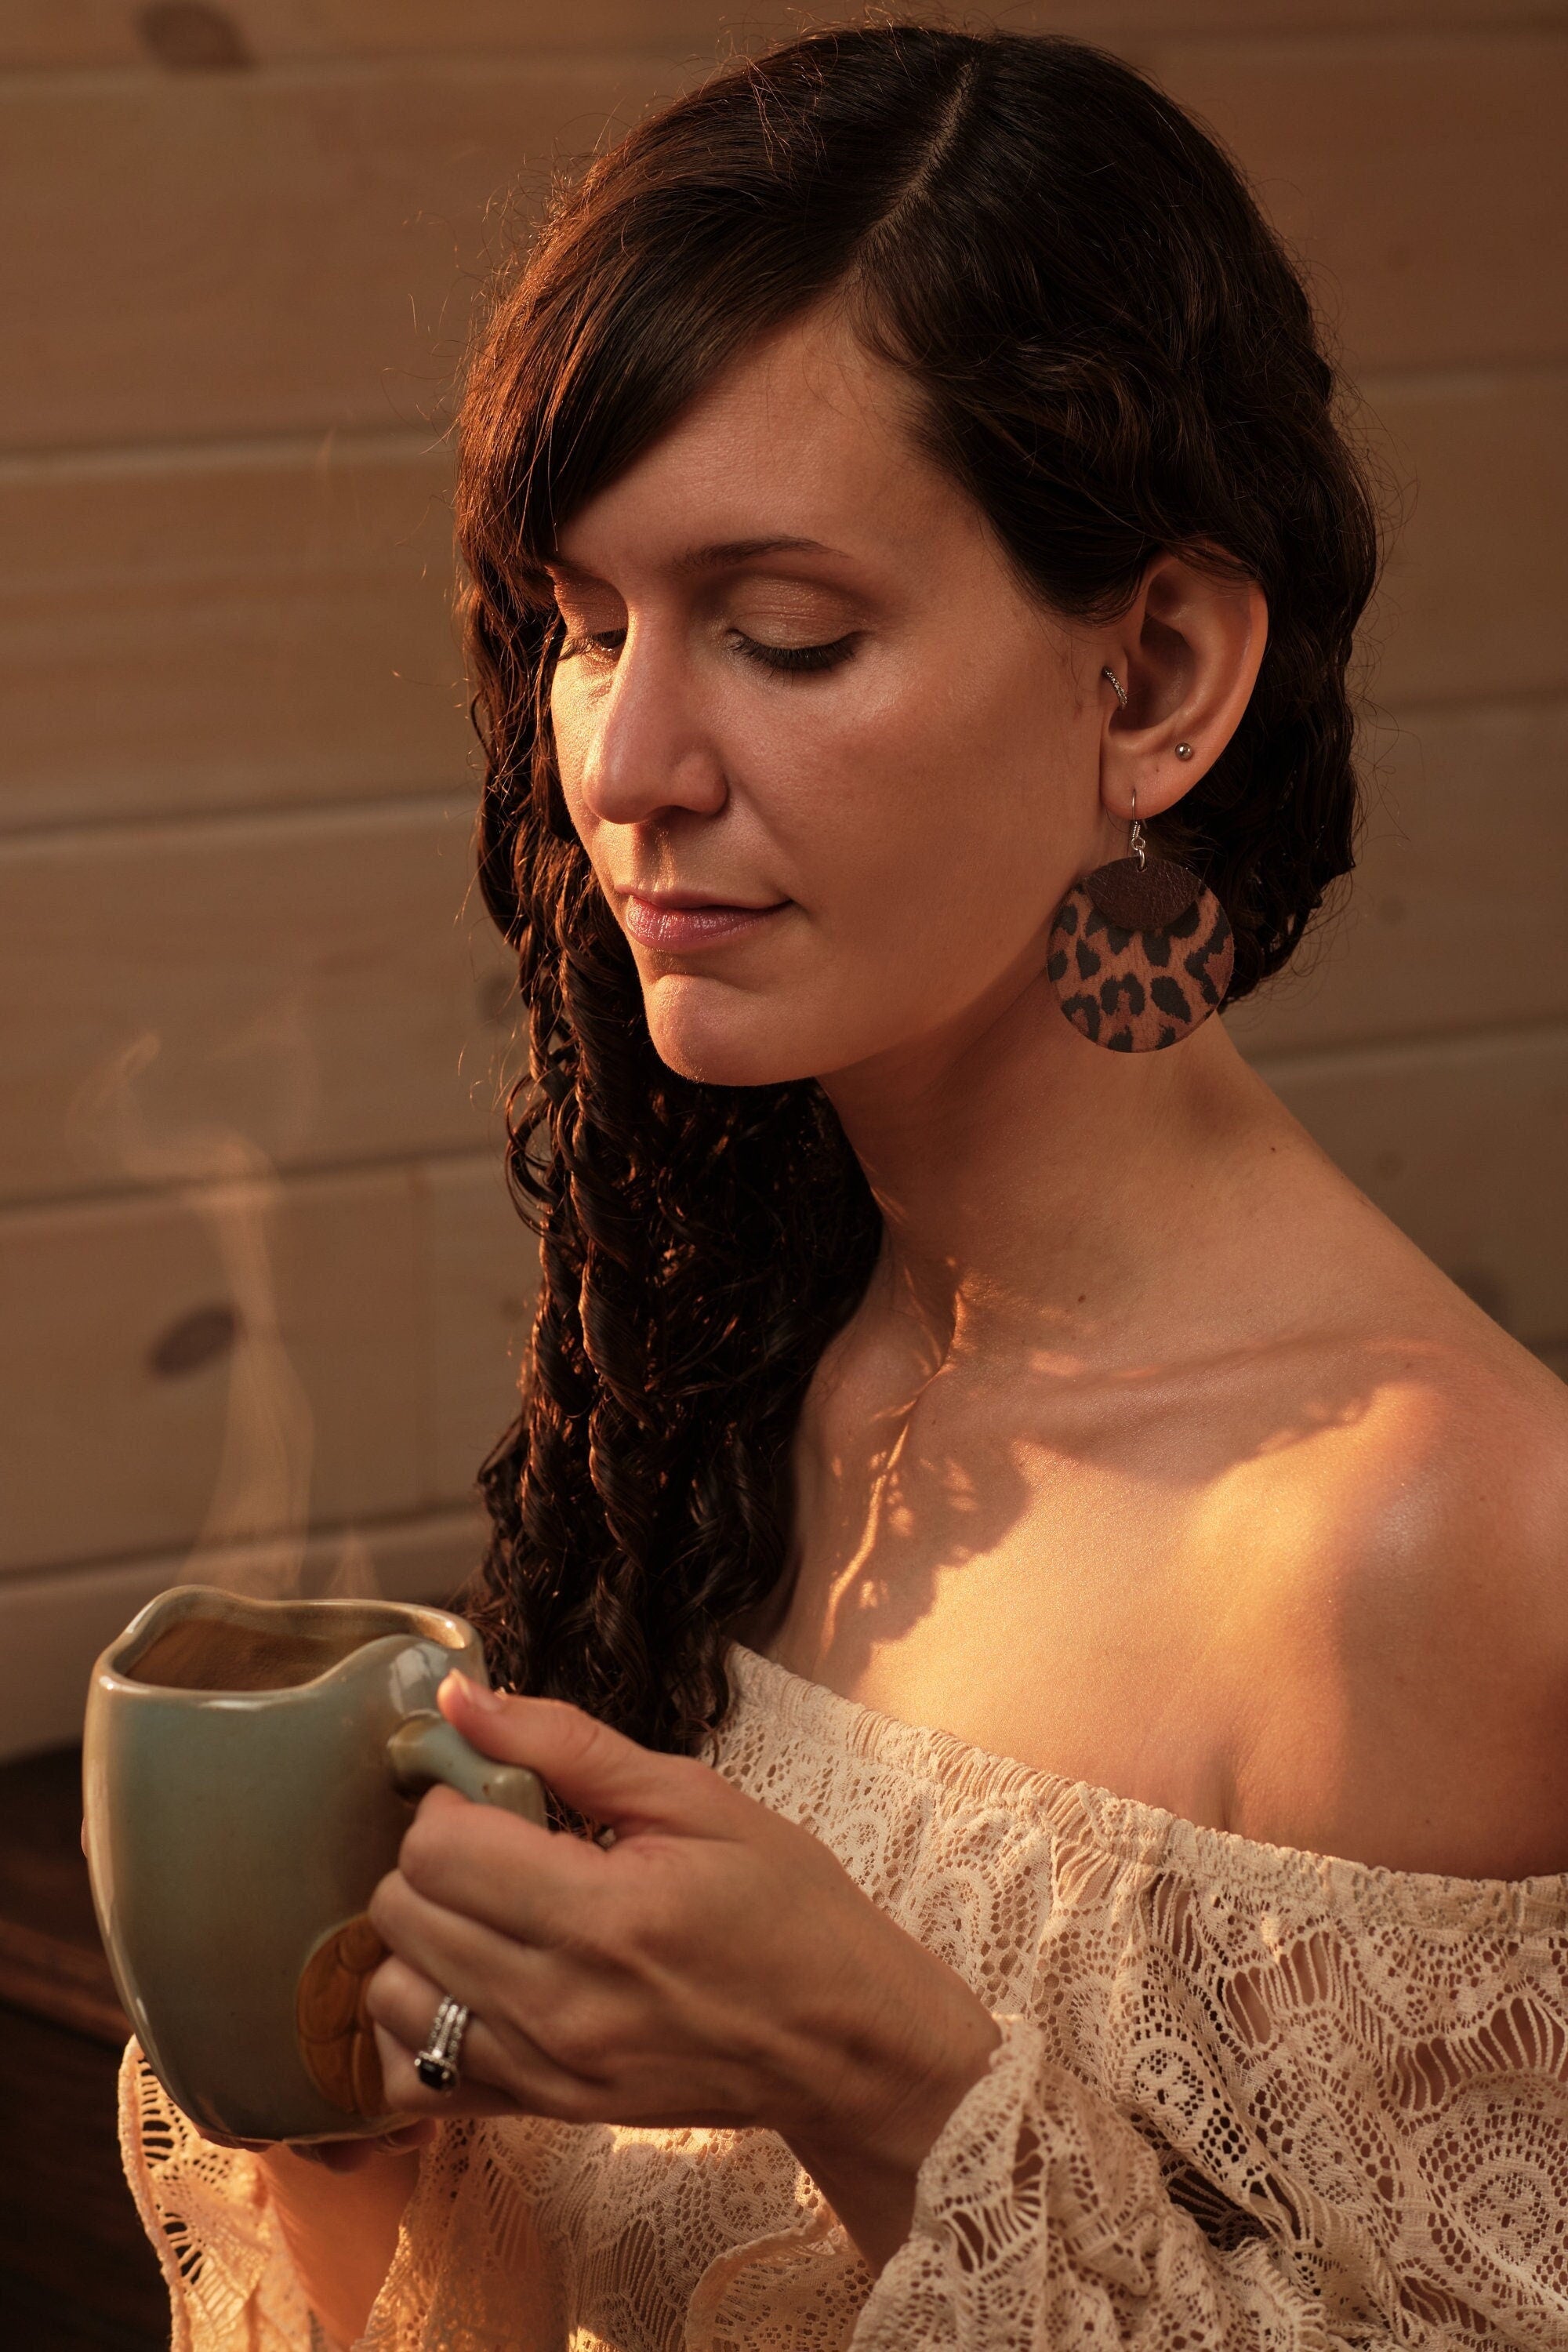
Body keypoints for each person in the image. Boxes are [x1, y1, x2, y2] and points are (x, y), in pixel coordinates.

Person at [122, 23, 1568, 2350]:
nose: (634, 768)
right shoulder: (749, 1336)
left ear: (1161, 676)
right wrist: (339, 2088)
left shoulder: (1432, 1547)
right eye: (586, 632)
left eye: (788, 635)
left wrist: (884, 2079)